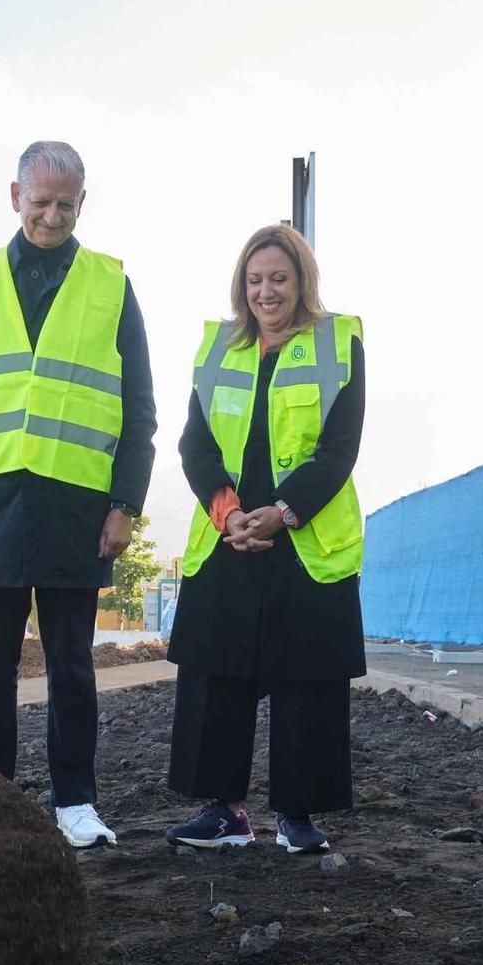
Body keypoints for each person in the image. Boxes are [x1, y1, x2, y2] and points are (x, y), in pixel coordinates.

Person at [0, 141, 157, 849]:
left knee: (72, 666)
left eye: (64, 204)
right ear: (15, 196)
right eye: (38, 202)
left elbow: (139, 406)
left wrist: (125, 503)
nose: (50, 216)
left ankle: (75, 802)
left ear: (82, 203)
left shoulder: (110, 284)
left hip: (79, 510)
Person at [165, 225, 364, 854]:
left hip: (303, 535)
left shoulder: (338, 342)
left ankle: (297, 816)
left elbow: (340, 449)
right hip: (229, 534)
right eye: (254, 280)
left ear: (302, 279)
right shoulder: (218, 349)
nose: (266, 291)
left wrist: (283, 511)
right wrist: (228, 515)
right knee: (215, 672)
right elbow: (194, 444)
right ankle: (222, 812)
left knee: (308, 676)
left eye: (278, 278)